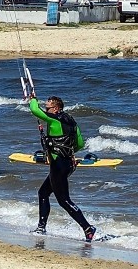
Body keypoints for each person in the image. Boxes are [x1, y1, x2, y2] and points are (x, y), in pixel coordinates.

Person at [27, 94, 96, 242]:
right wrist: (66, 153)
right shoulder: (71, 121)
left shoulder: (54, 119)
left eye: (47, 108)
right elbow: (80, 144)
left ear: (56, 108)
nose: (45, 110)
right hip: (68, 164)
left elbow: (34, 110)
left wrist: (32, 99)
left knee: (64, 200)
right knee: (43, 193)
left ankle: (88, 228)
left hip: (58, 165)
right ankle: (41, 227)